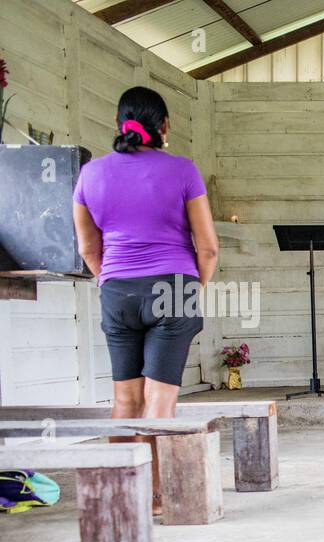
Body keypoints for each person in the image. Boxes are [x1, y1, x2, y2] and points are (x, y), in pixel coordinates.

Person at [72, 86, 219, 514]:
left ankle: (124, 496)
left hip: (117, 289)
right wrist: (193, 290)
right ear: (165, 127)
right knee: (160, 400)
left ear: (120, 124)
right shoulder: (183, 170)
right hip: (174, 286)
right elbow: (207, 247)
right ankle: (157, 497)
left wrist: (112, 282)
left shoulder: (90, 175)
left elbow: (87, 249)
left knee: (124, 398)